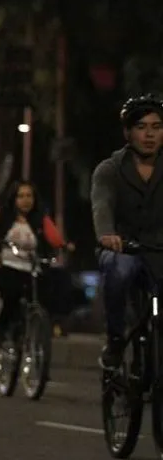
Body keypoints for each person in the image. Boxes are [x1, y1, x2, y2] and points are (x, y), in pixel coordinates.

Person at [91, 94, 163, 369]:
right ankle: (115, 339)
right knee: (119, 270)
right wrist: (107, 234)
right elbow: (102, 204)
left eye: (156, 127)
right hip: (124, 247)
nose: (149, 134)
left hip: (159, 249)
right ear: (128, 133)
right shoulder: (109, 170)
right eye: (141, 127)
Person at [0, 181, 68, 346]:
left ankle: (40, 329)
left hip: (31, 267)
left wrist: (63, 245)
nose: (25, 200)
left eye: (29, 196)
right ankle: (1, 329)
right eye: (21, 196)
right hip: (6, 266)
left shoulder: (40, 218)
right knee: (11, 295)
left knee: (52, 287)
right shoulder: (1, 215)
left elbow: (54, 238)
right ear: (14, 199)